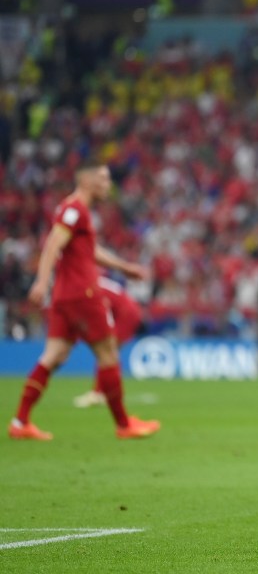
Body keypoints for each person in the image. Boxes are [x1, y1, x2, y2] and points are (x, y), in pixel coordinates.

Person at [8, 162, 161, 440]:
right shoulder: (74, 210)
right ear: (88, 180)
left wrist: (124, 267)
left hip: (65, 296)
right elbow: (53, 244)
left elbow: (89, 250)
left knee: (53, 356)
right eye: (103, 178)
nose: (107, 183)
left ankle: (20, 422)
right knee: (109, 353)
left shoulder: (73, 210)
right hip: (83, 295)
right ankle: (124, 424)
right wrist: (41, 281)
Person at [72, 275, 145, 408]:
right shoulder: (95, 281)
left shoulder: (89, 285)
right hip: (128, 310)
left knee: (107, 353)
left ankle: (99, 393)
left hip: (126, 313)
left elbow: (103, 306)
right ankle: (108, 392)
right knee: (109, 354)